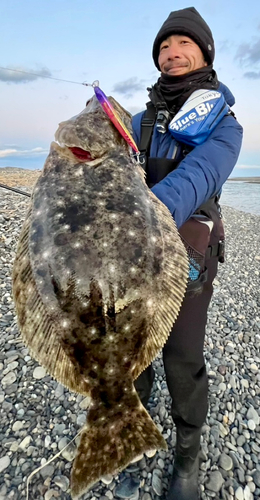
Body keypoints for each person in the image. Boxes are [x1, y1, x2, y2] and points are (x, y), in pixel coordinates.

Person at [132, 7, 243, 500]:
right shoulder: (137, 120)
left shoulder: (227, 127)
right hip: (133, 253)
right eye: (163, 47)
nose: (171, 54)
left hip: (187, 255)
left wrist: (147, 211)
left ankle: (187, 452)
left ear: (204, 53)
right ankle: (132, 431)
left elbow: (199, 176)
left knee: (181, 354)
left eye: (183, 44)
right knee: (133, 351)